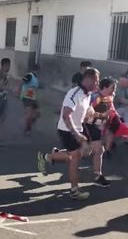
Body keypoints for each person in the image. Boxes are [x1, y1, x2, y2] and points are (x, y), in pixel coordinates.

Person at [37, 68, 102, 200]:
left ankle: (48, 157)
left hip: (79, 129)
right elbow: (67, 115)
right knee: (74, 158)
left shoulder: (88, 95)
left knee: (84, 152)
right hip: (67, 130)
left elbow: (86, 112)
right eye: (96, 81)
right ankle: (74, 190)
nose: (98, 84)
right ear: (88, 80)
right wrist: (76, 134)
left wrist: (97, 116)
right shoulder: (74, 93)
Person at [82, 77, 116, 187]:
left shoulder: (107, 98)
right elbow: (87, 115)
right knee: (97, 151)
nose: (114, 90)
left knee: (87, 152)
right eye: (112, 87)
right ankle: (98, 176)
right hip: (88, 127)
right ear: (105, 87)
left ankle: (54, 155)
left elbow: (107, 114)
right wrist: (100, 118)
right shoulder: (95, 97)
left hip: (95, 128)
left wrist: (104, 122)